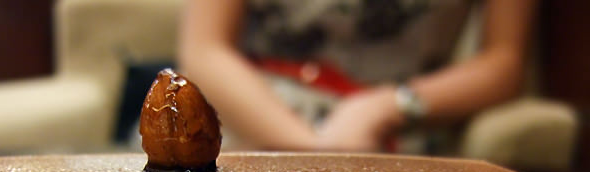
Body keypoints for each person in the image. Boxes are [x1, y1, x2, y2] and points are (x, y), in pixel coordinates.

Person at [178, 0, 538, 153]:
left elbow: (504, 63)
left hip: (393, 133)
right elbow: (205, 50)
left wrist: (386, 107)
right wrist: (314, 152)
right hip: (250, 117)